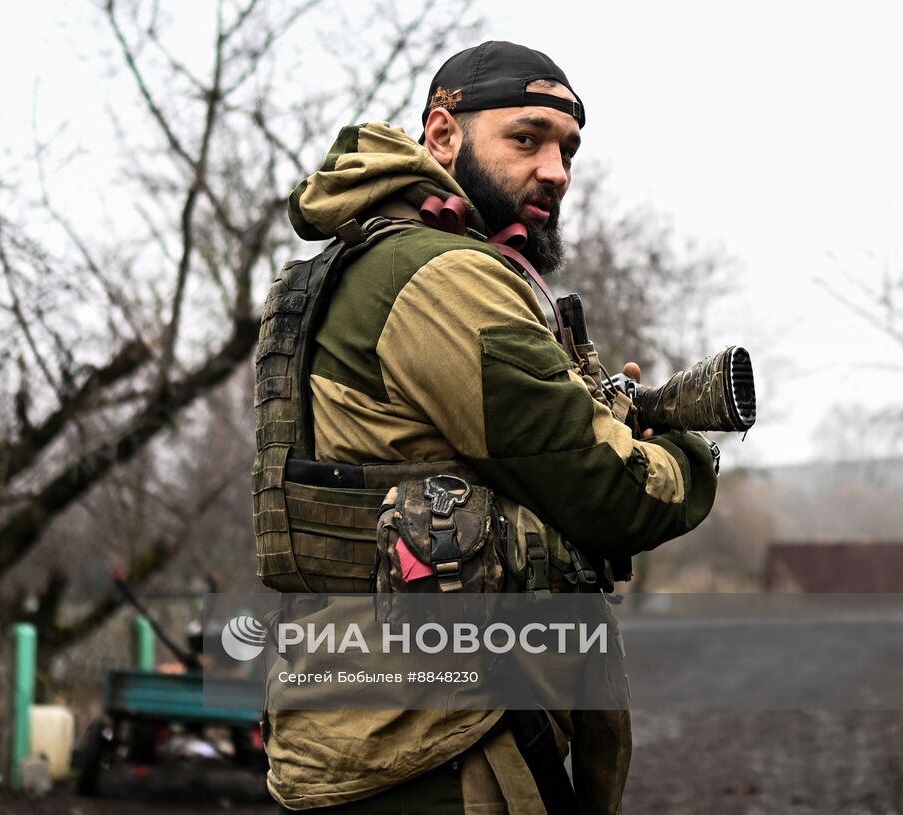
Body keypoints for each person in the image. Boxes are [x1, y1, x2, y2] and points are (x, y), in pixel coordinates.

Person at [264, 41, 719, 813]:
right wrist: (687, 455)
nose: (556, 171)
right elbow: (608, 491)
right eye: (526, 138)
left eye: (568, 149)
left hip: (353, 731)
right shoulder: (443, 276)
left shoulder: (356, 263)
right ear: (442, 136)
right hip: (440, 747)